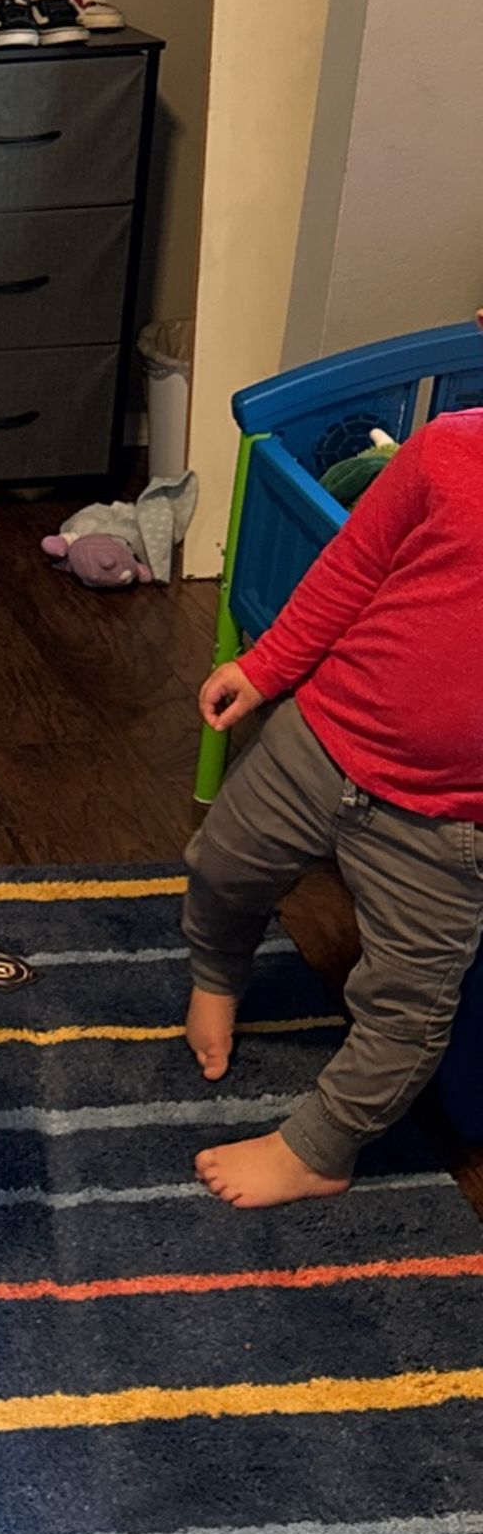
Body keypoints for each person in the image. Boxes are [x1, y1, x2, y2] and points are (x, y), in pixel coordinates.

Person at [184, 405, 483, 1207]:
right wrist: (265, 665)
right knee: (222, 865)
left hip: (450, 820)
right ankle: (216, 972)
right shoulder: (449, 447)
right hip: (321, 736)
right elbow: (353, 566)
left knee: (410, 1007)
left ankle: (321, 1147)